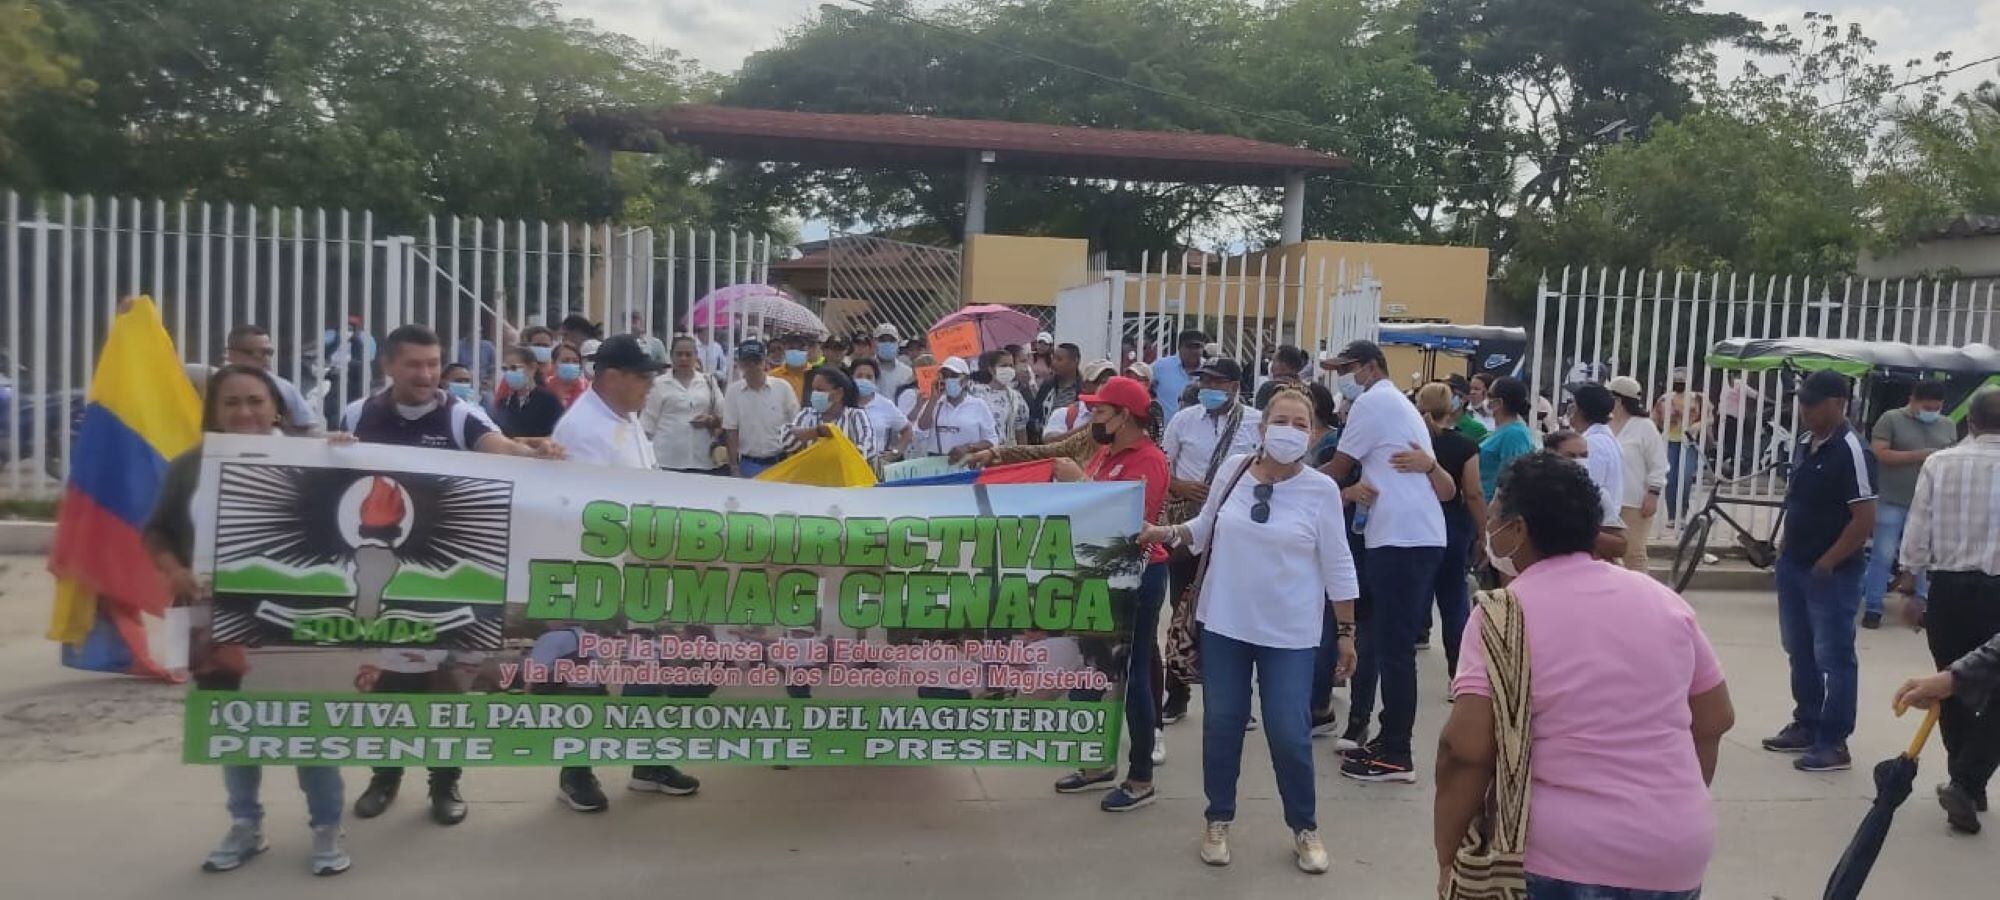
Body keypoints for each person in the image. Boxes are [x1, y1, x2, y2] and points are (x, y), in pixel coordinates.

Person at [1436, 451, 1734, 900]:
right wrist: (1665, 809)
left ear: (1517, 530)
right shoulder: (1663, 602)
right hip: (1675, 852)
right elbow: (1714, 719)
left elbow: (1465, 749)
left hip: (1558, 859)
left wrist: (1447, 854)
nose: (1490, 525)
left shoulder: (1502, 614)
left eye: (1496, 514)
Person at [340, 325, 557, 827]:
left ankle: (445, 782)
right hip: (384, 575)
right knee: (391, 688)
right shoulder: (358, 414)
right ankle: (385, 777)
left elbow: (498, 447)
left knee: (446, 688)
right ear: (387, 367)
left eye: (433, 364)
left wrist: (535, 454)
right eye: (414, 365)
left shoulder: (458, 415)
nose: (427, 375)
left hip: (446, 574)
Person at [1140, 385, 1359, 873]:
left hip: (1291, 633)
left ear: (1316, 434)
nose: (1289, 431)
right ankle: (1218, 818)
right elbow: (1202, 529)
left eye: (1301, 425)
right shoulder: (1234, 470)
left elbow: (1339, 564)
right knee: (1221, 725)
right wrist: (1165, 533)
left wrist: (1346, 631)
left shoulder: (1320, 490)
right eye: (1280, 421)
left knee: (1288, 731)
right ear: (1261, 429)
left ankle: (1304, 826)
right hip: (1225, 624)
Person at [148, 365, 351, 876]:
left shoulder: (315, 458)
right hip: (214, 624)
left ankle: (326, 828)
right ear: (213, 410)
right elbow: (156, 532)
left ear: (276, 408)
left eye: (255, 402)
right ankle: (245, 825)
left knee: (311, 731)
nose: (244, 413)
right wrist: (172, 570)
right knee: (233, 730)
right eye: (231, 402)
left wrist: (351, 456)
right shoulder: (191, 466)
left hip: (297, 624)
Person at [545, 334, 703, 808]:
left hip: (640, 569)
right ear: (612, 376)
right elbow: (585, 513)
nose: (651, 384)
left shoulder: (625, 417)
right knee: (587, 675)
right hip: (595, 574)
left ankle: (647, 761)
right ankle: (576, 773)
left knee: (649, 666)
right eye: (643, 375)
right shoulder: (582, 429)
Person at [1322, 340, 1450, 784]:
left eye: (1347, 368)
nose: (1342, 376)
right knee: (1385, 642)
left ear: (1371, 367)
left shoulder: (1373, 403)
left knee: (1395, 651)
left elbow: (1337, 470)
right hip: (1404, 535)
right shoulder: (1390, 401)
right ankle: (1387, 735)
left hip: (1402, 538)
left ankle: (1397, 752)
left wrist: (1281, 479)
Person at [1046, 376, 1172, 811]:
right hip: (1098, 575)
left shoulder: (1149, 460)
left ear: (1125, 417)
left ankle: (1141, 778)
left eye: (1101, 411)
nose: (1092, 417)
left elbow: (1134, 522)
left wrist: (1080, 482)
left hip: (1138, 579)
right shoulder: (1105, 453)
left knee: (1132, 677)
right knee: (1096, 670)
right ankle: (1097, 763)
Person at [1895, 386, 2000, 833]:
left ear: (1969, 423)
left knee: (1950, 682)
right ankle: (1968, 778)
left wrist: (1909, 586)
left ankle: (1966, 780)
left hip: (1949, 591)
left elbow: (1918, 525)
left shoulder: (1940, 462)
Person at [1762, 370, 1877, 773]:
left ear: (1838, 404)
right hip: (1795, 565)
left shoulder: (1852, 450)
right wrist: (1784, 550)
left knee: (1835, 656)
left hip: (1833, 572)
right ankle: (1807, 723)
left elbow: (1863, 519)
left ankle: (1834, 741)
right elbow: (1797, 501)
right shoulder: (1805, 444)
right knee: (1800, 649)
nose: (1805, 410)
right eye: (1802, 402)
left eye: (1812, 403)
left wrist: (1828, 561)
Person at [1157, 358, 1264, 723]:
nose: (1210, 388)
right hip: (1188, 522)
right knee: (1181, 608)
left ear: (1235, 387)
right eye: (1205, 381)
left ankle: (1238, 702)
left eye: (1218, 382)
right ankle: (1177, 692)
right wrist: (1178, 485)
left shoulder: (1255, 422)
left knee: (1232, 612)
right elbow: (1161, 466)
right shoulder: (1183, 419)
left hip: (1236, 527)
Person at [1865, 379, 1959, 629]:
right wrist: (1921, 455)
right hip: (1892, 499)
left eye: (1936, 408)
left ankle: (1922, 606)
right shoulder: (1891, 419)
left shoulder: (1947, 424)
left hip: (1929, 503)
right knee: (1883, 555)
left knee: (1924, 557)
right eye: (1927, 407)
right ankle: (1873, 606)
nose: (1931, 412)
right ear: (1913, 399)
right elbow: (1879, 453)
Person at [1413, 382, 1487, 677]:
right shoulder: (1465, 445)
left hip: (1416, 525)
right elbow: (1473, 492)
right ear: (1453, 406)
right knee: (1454, 599)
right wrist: (1483, 531)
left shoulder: (1414, 444)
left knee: (1413, 594)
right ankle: (1458, 672)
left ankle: (1406, 661)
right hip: (1454, 526)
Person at [642, 335, 728, 475]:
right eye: (679, 354)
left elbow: (724, 415)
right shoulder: (659, 384)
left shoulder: (708, 381)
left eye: (688, 354)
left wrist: (710, 420)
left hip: (704, 461)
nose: (683, 359)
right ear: (671, 356)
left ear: (696, 356)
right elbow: (647, 424)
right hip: (667, 461)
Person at [1608, 376, 1669, 571]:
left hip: (1634, 502)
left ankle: (1643, 599)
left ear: (1618, 400)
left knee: (1633, 553)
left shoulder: (1644, 426)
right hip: (1608, 501)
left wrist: (1653, 493)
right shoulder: (1604, 425)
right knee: (1608, 554)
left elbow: (1659, 464)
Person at [722, 340, 801, 478]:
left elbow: (797, 424)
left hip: (780, 462)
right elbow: (731, 431)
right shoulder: (733, 392)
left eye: (756, 361)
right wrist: (734, 467)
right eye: (747, 362)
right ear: (739, 364)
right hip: (748, 464)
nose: (752, 366)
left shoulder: (783, 387)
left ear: (764, 362)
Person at [225, 324, 321, 434]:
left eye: (269, 353)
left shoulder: (285, 388)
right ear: (232, 354)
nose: (267, 359)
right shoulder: (212, 384)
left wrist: (336, 439)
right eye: (260, 353)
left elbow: (308, 430)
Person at [1570, 383, 1629, 561]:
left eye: (1573, 403)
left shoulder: (1593, 444)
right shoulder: (1603, 439)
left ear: (1580, 409)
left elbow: (1588, 491)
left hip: (1595, 533)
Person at [911, 356, 998, 461]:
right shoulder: (935, 403)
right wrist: (933, 399)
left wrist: (968, 447)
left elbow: (991, 440)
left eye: (953, 375)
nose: (948, 379)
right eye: (945, 375)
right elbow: (922, 427)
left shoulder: (978, 405)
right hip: (937, 464)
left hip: (968, 464)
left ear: (965, 380)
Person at [783, 367, 876, 461]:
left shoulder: (855, 415)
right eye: (813, 390)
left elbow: (868, 447)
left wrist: (838, 455)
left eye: (820, 390)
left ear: (839, 393)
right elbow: (787, 443)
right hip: (810, 474)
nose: (815, 394)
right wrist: (816, 432)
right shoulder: (806, 414)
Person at [1652, 367, 1707, 521]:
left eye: (1681, 381)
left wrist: (1697, 425)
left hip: (1689, 442)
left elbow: (1709, 418)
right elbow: (1654, 420)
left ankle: (1682, 512)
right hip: (1669, 441)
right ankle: (1672, 515)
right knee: (1670, 479)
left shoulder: (1697, 398)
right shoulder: (1664, 399)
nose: (1679, 384)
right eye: (1676, 381)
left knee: (1685, 478)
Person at [1478, 376, 1537, 503]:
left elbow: (1512, 479)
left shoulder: (1514, 434)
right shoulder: (1502, 430)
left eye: (1489, 395)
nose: (1485, 399)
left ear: (1499, 402)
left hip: (1492, 511)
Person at [491, 346, 565, 439]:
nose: (509, 373)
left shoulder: (549, 401)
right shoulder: (504, 404)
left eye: (514, 368)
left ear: (533, 368)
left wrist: (526, 442)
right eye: (505, 369)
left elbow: (559, 435)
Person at [847, 357, 910, 462]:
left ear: (875, 380)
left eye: (869, 377)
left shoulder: (885, 404)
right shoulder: (842, 403)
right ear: (851, 378)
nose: (864, 380)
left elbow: (906, 430)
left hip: (875, 465)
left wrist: (896, 452)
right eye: (859, 376)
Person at [1043, 360, 1116, 440]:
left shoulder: (1120, 417)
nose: (1106, 387)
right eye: (1100, 382)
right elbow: (1049, 441)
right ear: (1084, 386)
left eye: (1112, 382)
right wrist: (1091, 425)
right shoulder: (1063, 414)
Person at [972, 349, 1029, 446]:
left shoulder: (1015, 397)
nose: (1008, 369)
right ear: (991, 370)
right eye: (1003, 366)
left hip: (1007, 454)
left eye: (1011, 366)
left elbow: (1021, 432)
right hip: (981, 452)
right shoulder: (976, 393)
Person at [1031, 342, 1084, 442]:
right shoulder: (1047, 385)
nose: (1053, 363)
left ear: (1075, 361)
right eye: (1053, 358)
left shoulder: (1083, 390)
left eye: (1059, 359)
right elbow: (1036, 413)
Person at [1152, 329, 1206, 420]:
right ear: (1179, 348)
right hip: (1165, 431)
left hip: (1198, 430)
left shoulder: (1209, 370)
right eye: (1189, 347)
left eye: (1197, 347)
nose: (1193, 351)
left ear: (1202, 349)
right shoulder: (1160, 367)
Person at [1717, 374, 1761, 476]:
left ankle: (1725, 466)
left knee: (1729, 444)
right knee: (1734, 444)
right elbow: (1757, 395)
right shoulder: (1739, 384)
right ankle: (1729, 467)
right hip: (1732, 419)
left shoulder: (1728, 385)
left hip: (1725, 418)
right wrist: (1773, 402)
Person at [1253, 345, 1310, 411]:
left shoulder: (1268, 388)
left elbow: (1260, 416)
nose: (1271, 368)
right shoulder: (1306, 390)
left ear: (1282, 366)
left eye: (1274, 362)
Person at [870, 324, 915, 399]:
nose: (887, 343)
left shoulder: (908, 373)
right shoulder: (867, 371)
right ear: (874, 342)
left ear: (897, 343)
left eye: (891, 340)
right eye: (882, 340)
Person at [1445, 375, 1489, 443]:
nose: (1444, 398)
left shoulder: (1476, 429)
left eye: (1450, 394)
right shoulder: (1433, 424)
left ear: (1463, 399)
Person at [546, 342, 589, 408]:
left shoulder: (588, 389)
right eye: (565, 361)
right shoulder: (545, 387)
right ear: (553, 364)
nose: (571, 365)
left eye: (575, 361)